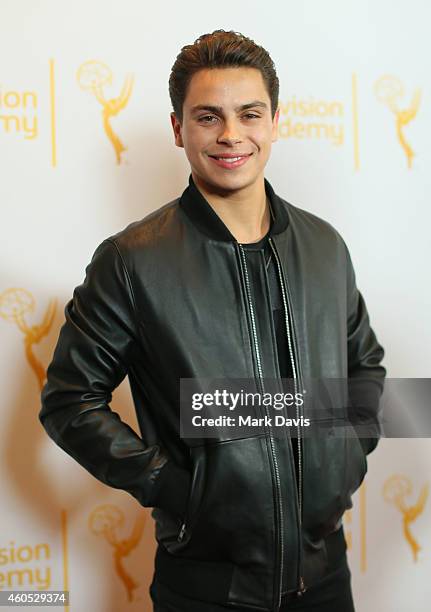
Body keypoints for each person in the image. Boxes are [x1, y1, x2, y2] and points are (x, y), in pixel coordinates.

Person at [39, 30, 386, 612]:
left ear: (275, 121)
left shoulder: (326, 246)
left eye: (249, 114)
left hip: (326, 576)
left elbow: (366, 367)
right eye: (208, 116)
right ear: (179, 129)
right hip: (206, 588)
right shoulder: (132, 262)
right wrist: (182, 491)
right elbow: (69, 401)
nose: (231, 134)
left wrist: (344, 452)